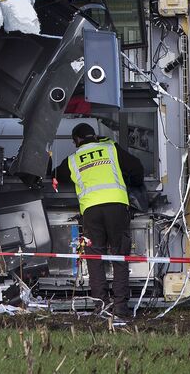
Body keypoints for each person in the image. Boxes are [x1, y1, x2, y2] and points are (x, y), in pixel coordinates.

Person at [55, 123, 144, 319]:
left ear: (77, 140)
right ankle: (120, 306)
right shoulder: (111, 149)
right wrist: (133, 184)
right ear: (94, 136)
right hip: (117, 207)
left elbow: (56, 175)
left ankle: (100, 305)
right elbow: (137, 167)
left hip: (91, 211)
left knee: (95, 258)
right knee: (120, 256)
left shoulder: (72, 159)